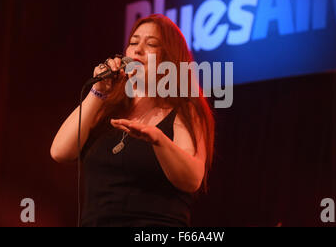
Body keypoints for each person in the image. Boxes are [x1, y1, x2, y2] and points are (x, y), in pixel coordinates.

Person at [50, 14, 215, 227]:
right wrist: (97, 92)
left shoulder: (185, 109)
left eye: (152, 44)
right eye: (133, 42)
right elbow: (60, 152)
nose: (137, 50)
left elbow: (192, 179)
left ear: (171, 60)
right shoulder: (107, 107)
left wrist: (158, 139)